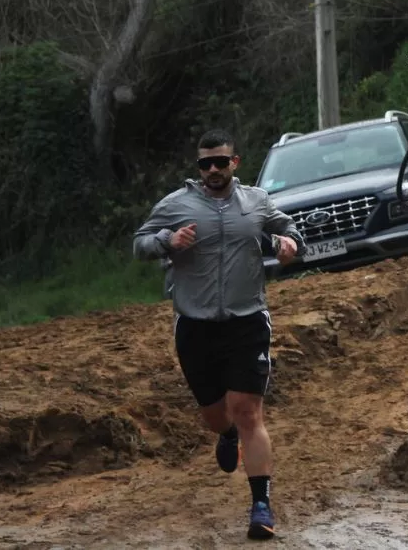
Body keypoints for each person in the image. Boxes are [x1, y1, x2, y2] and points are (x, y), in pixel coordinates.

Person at [132, 129, 305, 541]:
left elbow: (288, 229)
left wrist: (290, 244)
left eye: (220, 162)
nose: (212, 169)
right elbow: (138, 244)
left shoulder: (256, 202)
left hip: (247, 320)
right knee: (216, 416)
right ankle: (225, 435)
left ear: (235, 163)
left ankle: (261, 505)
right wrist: (166, 240)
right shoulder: (176, 205)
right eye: (204, 163)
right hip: (195, 325)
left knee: (248, 411)